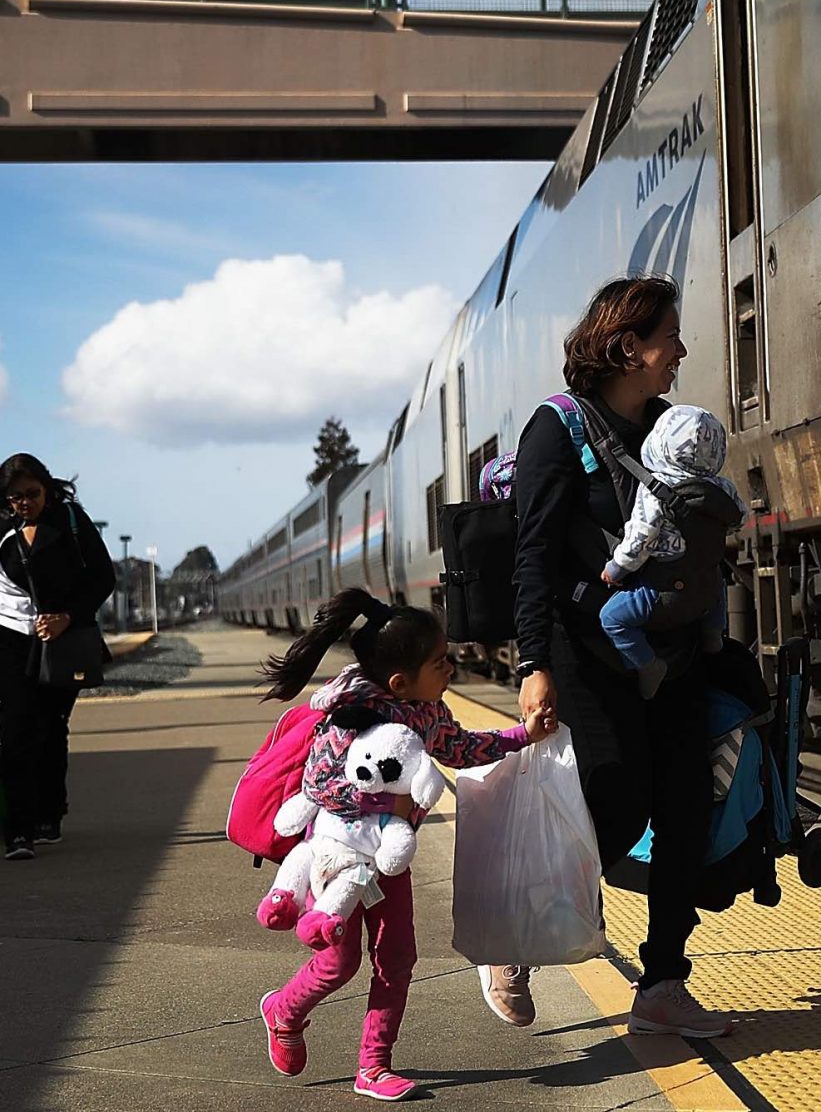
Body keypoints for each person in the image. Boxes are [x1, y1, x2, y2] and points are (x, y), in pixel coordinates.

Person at [509, 276, 728, 1038]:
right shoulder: (556, 429)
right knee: (617, 801)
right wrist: (533, 664)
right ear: (629, 347)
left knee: (687, 808)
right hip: (588, 653)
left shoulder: (670, 429)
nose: (682, 351)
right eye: (670, 337)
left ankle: (663, 984)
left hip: (670, 649)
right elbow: (532, 557)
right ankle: (520, 939)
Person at [253, 588, 551, 1101]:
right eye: (440, 663)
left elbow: (461, 748)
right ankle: (282, 1011)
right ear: (399, 681)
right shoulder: (350, 712)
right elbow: (318, 785)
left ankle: (373, 1066)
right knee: (339, 964)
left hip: (390, 860)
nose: (451, 669)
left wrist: (523, 735)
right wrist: (390, 804)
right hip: (338, 859)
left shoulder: (429, 711)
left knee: (397, 959)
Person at [0, 453, 115, 860]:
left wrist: (69, 616)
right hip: (10, 637)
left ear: (47, 489)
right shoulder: (3, 526)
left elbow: (103, 577)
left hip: (61, 640)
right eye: (15, 497)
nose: (25, 503)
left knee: (50, 728)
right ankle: (19, 831)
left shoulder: (69, 520)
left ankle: (49, 814)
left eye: (32, 494)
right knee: (15, 730)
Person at [599, 402, 745, 700]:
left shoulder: (655, 490)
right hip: (706, 592)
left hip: (663, 593)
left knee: (611, 618)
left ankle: (649, 665)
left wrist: (615, 569)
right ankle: (713, 633)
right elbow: (738, 519)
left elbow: (640, 539)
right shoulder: (723, 488)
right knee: (716, 577)